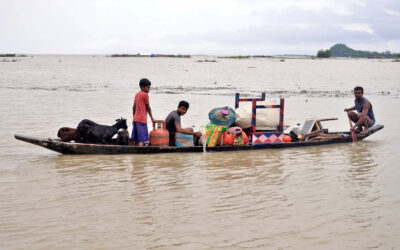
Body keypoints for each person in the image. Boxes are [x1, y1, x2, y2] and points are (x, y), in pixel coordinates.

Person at [131, 78, 155, 146]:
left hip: (136, 119)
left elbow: (133, 107)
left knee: (134, 138)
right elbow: (148, 108)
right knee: (142, 139)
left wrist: (133, 118)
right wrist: (152, 118)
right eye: (147, 87)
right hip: (142, 120)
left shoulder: (137, 94)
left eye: (149, 87)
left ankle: (133, 151)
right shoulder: (145, 95)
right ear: (142, 87)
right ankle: (139, 154)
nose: (149, 89)